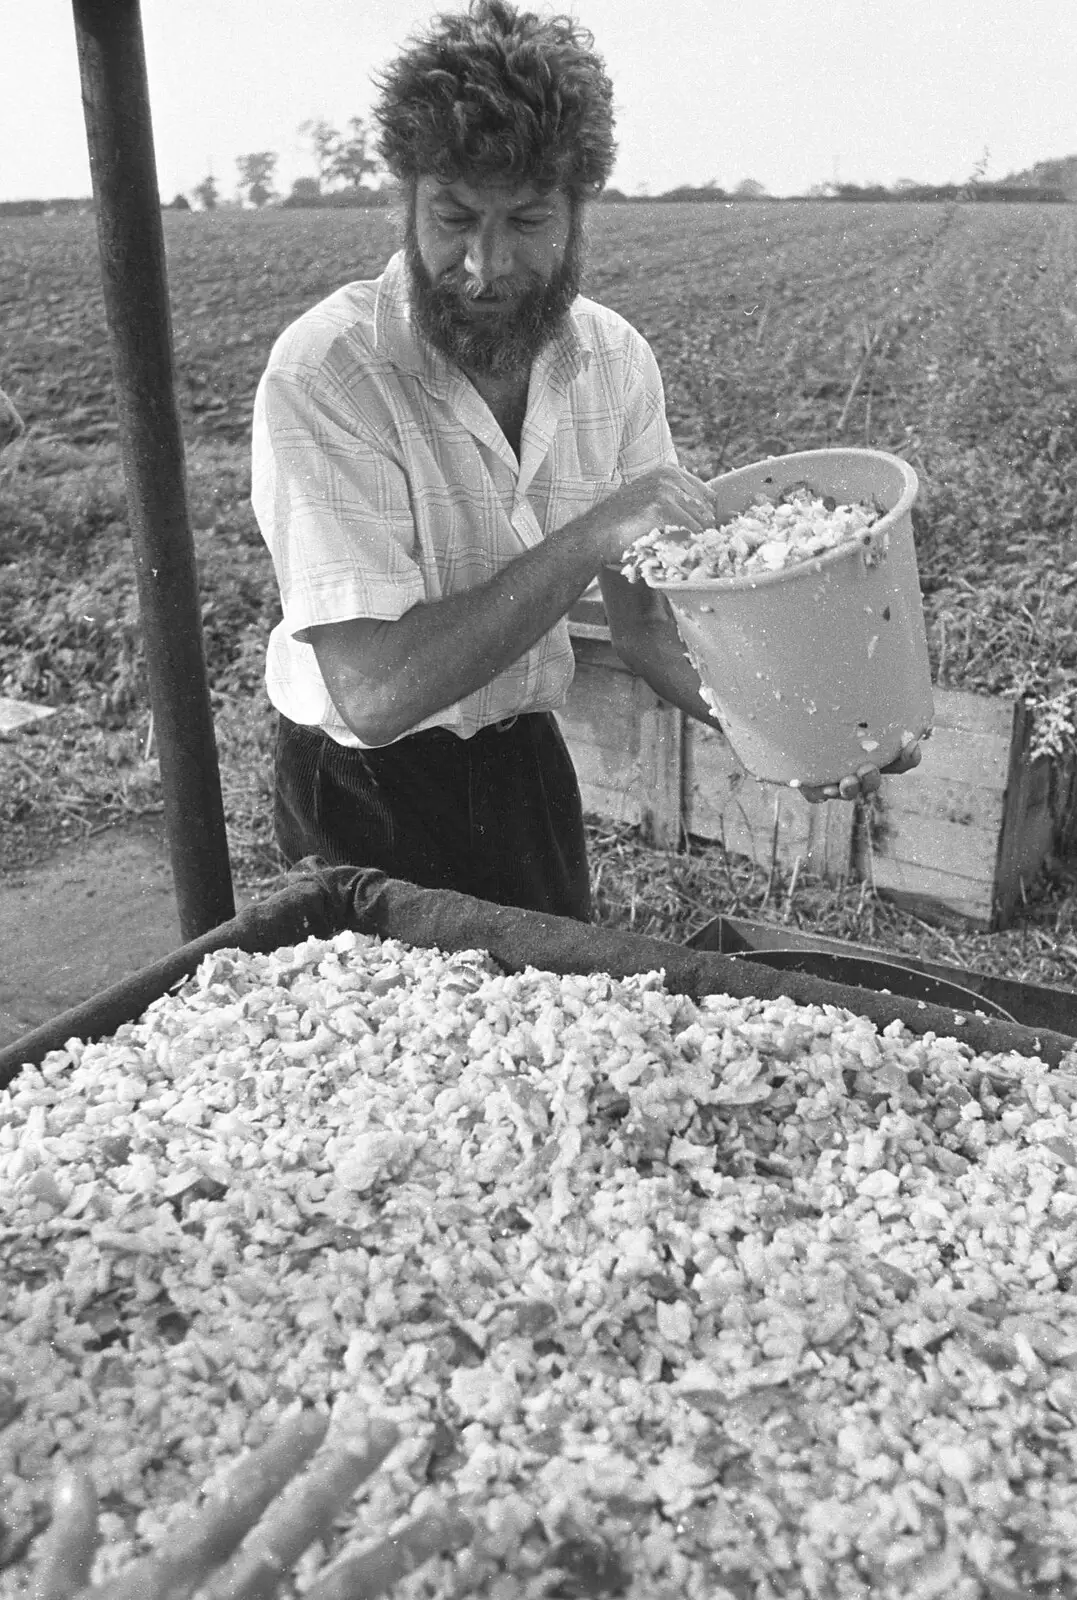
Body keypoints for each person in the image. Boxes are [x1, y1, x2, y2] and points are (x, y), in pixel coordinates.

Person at [251, 0, 919, 922]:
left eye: (527, 222)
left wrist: (803, 736)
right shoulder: (329, 371)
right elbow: (375, 692)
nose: (484, 265)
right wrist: (597, 531)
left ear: (578, 207)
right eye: (452, 219)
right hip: (361, 795)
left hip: (524, 762)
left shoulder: (612, 362)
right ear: (405, 199)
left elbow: (648, 630)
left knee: (559, 1036)